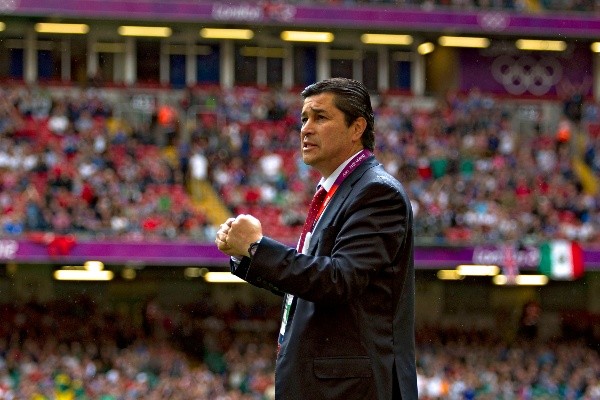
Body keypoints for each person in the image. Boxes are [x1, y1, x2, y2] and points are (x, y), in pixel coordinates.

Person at [215, 77, 417, 400]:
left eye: (320, 117)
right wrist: (248, 255)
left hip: (349, 390)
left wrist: (257, 247)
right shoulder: (337, 191)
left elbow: (338, 280)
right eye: (304, 119)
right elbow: (309, 288)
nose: (306, 129)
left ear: (357, 128)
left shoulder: (377, 192)